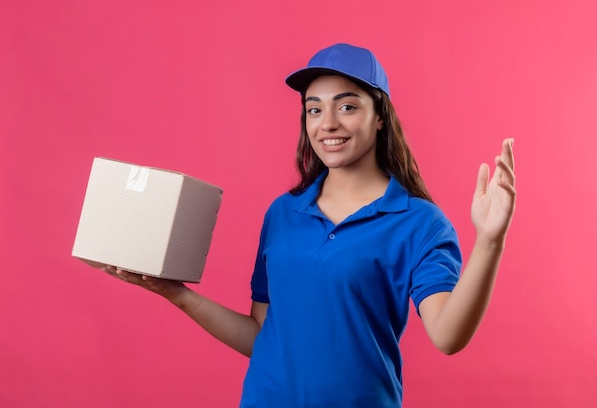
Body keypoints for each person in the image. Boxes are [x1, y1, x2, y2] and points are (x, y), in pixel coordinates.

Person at [102, 43, 516, 408]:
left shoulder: (419, 222)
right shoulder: (283, 212)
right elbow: (262, 336)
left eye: (347, 106)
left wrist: (489, 241)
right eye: (314, 109)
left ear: (380, 117)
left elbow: (447, 336)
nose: (328, 123)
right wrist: (175, 294)